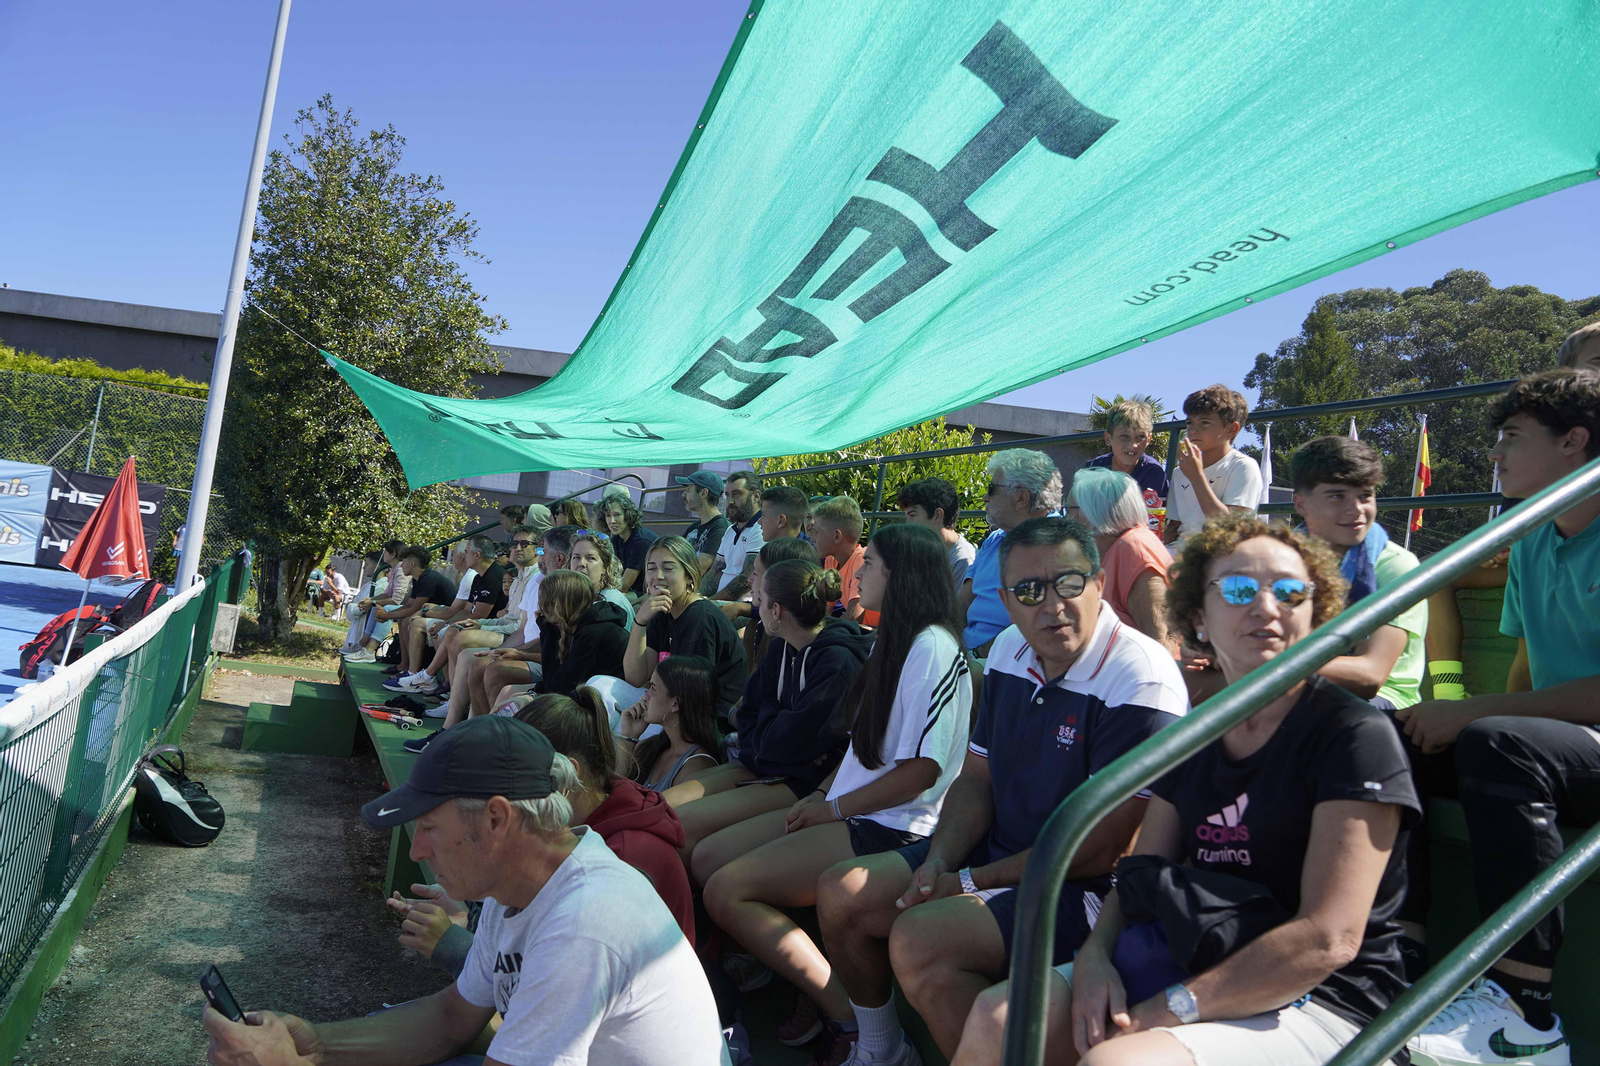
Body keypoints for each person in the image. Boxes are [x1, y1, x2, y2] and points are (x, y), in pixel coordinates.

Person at [951, 513, 1419, 1066]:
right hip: (1194, 951)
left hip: (1322, 997)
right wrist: (1096, 955)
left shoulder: (1355, 736)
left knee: (1116, 1062)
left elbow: (1327, 939)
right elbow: (1139, 874)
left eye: (1291, 592)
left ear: (1317, 610)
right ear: (1199, 613)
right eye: (1240, 589)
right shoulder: (1198, 730)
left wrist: (1169, 1009)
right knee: (995, 1020)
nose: (1267, 607)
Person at [815, 516, 1188, 1065]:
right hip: (998, 854)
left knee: (921, 941)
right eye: (1030, 590)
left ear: (1099, 584)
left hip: (1087, 887)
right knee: (841, 894)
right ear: (1006, 601)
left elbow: (1103, 848)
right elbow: (975, 780)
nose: (1053, 605)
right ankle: (883, 1051)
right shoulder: (1011, 651)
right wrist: (941, 860)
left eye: (1069, 582)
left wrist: (967, 880)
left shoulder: (1141, 676)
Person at [202, 716, 727, 1066]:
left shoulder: (585, 924)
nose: (417, 850)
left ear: (497, 818)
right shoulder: (522, 884)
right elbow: (451, 1018)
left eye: (429, 827)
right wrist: (315, 1046)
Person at [701, 523, 973, 1050]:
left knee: (724, 889)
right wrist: (824, 796)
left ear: (902, 576)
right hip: (852, 810)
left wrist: (834, 808)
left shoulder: (933, 649)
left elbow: (923, 770)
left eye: (869, 563)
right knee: (712, 864)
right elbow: (863, 749)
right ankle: (785, 979)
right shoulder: (895, 640)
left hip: (895, 827)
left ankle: (859, 1026)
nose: (857, 571)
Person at [1398, 368, 1600, 1062]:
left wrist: (1483, 711)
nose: (1496, 453)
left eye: (1512, 436)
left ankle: (1528, 1017)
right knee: (1391, 741)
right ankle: (1398, 964)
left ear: (1575, 441)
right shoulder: (1535, 538)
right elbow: (1527, 669)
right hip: (1557, 742)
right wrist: (1460, 716)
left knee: (1500, 741)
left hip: (1567, 744)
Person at [668, 557, 871, 872]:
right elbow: (749, 716)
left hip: (803, 781)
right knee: (668, 808)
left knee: (687, 832)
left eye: (758, 600)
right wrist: (775, 723)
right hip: (766, 762)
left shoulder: (837, 663)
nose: (755, 606)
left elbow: (781, 739)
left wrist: (772, 724)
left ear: (776, 611)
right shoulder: (781, 648)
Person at [1289, 437, 1427, 709]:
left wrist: (1256, 661)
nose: (1357, 510)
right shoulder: (1278, 559)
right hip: (1294, 685)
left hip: (1382, 704)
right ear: (1301, 504)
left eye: (1365, 495)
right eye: (1337, 496)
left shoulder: (1396, 566)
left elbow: (1369, 676)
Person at [618, 536, 748, 722]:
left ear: (689, 576)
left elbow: (690, 698)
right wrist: (640, 622)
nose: (658, 576)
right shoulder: (662, 611)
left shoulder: (699, 618)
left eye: (668, 568)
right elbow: (635, 678)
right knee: (602, 688)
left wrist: (646, 715)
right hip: (671, 708)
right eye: (651, 568)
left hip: (706, 723)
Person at [961, 449, 1062, 657]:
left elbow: (1031, 628)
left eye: (991, 489)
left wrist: (976, 655)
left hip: (1004, 662)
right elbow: (961, 603)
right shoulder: (995, 539)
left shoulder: (1056, 545)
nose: (984, 498)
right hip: (966, 653)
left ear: (1020, 498)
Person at [388, 536, 508, 696]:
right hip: (477, 623)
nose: (463, 556)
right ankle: (443, 684)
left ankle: (435, 681)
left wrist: (445, 624)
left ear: (477, 555)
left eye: (466, 552)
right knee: (444, 631)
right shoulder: (479, 576)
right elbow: (466, 609)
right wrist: (446, 623)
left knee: (447, 632)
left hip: (490, 625)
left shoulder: (493, 575)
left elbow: (480, 614)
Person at [1070, 468, 1173, 651]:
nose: (1065, 518)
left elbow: (1161, 644)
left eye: (1069, 509)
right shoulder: (1110, 547)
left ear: (1094, 512)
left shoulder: (1134, 549)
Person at [1163, 384, 1262, 549]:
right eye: (1189, 422)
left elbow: (1230, 529)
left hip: (1219, 554)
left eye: (1205, 422)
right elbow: (1174, 526)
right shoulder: (1180, 472)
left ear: (1231, 429)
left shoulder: (1243, 467)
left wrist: (1196, 477)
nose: (1193, 430)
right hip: (1181, 551)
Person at [619, 654, 724, 792]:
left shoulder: (696, 766)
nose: (645, 695)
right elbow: (612, 791)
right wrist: (628, 736)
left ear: (675, 704)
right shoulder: (652, 747)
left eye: (653, 688)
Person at [1085, 398, 1170, 534]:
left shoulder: (1153, 473)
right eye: (1124, 436)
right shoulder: (1093, 468)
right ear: (1108, 438)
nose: (1133, 445)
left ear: (1149, 439)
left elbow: (1150, 523)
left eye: (1140, 437)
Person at [741, 538, 822, 669]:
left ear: (776, 580)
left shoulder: (825, 659)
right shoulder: (767, 631)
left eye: (755, 573)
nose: (749, 579)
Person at [383, 548, 459, 678]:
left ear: (412, 564)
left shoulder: (428, 578)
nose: (401, 565)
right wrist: (385, 614)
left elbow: (414, 609)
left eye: (403, 562)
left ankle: (413, 672)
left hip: (447, 616)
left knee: (408, 619)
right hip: (432, 614)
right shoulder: (418, 578)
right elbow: (409, 605)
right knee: (403, 619)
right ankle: (404, 664)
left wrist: (386, 616)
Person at [898, 477, 976, 586]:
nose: (907, 523)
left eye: (912, 515)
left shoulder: (963, 560)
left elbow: (956, 603)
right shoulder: (922, 550)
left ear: (938, 515)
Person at [813, 495, 877, 626]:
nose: (813, 538)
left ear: (837, 536)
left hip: (874, 632)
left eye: (817, 532)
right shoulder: (830, 560)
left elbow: (853, 617)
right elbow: (826, 610)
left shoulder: (861, 559)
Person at [342, 540, 410, 662]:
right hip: (404, 605)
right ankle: (363, 643)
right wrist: (371, 600)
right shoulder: (395, 569)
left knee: (385, 609)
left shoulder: (401, 570)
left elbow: (396, 600)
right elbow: (387, 594)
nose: (383, 554)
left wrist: (373, 603)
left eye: (385, 551)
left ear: (393, 554)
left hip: (411, 606)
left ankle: (369, 651)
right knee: (376, 605)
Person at [712, 470, 764, 601]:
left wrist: (709, 603)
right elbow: (715, 572)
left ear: (756, 496)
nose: (730, 501)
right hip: (721, 606)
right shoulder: (730, 530)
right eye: (727, 495)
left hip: (743, 611)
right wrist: (693, 597)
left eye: (736, 494)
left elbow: (747, 579)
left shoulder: (762, 529)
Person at [600, 491, 658, 597]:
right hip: (632, 591)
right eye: (608, 515)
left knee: (609, 598)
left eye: (617, 514)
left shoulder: (641, 541)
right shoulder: (617, 538)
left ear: (628, 515)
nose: (611, 520)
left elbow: (624, 586)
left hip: (648, 592)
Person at [680, 471, 731, 590]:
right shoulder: (694, 527)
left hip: (693, 594)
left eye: (688, 490)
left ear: (704, 493)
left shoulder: (720, 528)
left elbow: (698, 569)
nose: (683, 495)